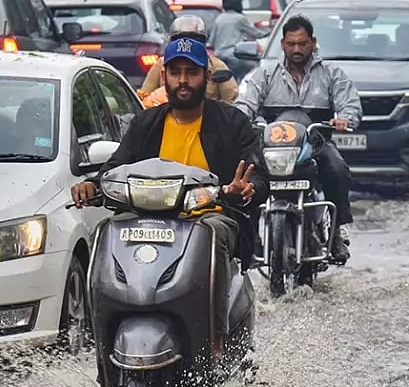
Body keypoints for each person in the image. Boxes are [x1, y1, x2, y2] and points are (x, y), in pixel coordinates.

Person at [70, 37, 268, 357]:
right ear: (164, 78)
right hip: (146, 217)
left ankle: (215, 338)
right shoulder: (147, 123)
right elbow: (117, 165)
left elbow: (258, 176)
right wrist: (93, 185)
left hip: (208, 217)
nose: (183, 81)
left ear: (205, 76)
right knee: (105, 230)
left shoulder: (232, 123)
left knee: (213, 233)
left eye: (191, 72)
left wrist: (247, 189)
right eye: (175, 72)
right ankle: (101, 341)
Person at [233, 15, 361, 262]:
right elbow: (245, 103)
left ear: (313, 43)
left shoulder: (331, 73)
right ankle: (250, 236)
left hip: (315, 142)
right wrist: (238, 120)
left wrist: (344, 118)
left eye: (302, 43)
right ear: (282, 44)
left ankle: (335, 232)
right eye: (291, 44)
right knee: (247, 173)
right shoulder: (265, 74)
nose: (296, 49)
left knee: (337, 169)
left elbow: (350, 105)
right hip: (273, 146)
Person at [139, 15, 237, 103]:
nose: (183, 80)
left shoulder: (217, 65)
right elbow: (145, 98)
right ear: (163, 74)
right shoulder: (162, 63)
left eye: (193, 72)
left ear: (208, 75)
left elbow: (231, 100)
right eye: (175, 72)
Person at [211, 0, 267, 78]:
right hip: (234, 57)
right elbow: (256, 33)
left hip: (219, 57)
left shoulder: (219, 19)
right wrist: (269, 33)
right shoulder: (240, 19)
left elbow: (212, 41)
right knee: (244, 75)